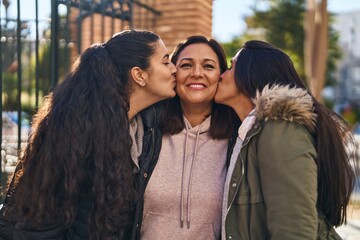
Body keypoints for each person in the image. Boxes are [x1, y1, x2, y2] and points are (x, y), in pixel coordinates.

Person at [0, 29, 176, 240]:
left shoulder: (136, 130)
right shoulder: (84, 137)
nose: (174, 69)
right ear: (139, 75)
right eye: (166, 62)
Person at [214, 40, 356, 239]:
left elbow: (294, 231)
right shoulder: (250, 134)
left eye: (231, 67)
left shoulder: (279, 130)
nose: (221, 75)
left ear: (252, 73)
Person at [136, 35, 239, 240]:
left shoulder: (237, 139)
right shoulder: (148, 130)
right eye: (186, 65)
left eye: (208, 66)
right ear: (173, 73)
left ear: (221, 75)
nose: (197, 73)